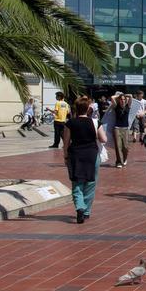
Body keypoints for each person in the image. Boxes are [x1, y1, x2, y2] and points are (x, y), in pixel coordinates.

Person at [64, 95, 107, 224]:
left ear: (75, 109)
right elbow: (104, 139)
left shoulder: (70, 123)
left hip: (75, 155)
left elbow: (66, 142)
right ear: (88, 108)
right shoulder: (95, 122)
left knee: (77, 183)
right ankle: (86, 211)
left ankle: (80, 207)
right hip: (92, 156)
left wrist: (65, 156)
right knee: (90, 183)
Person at [111, 93, 132, 168]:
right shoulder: (116, 106)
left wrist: (125, 95)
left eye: (124, 99)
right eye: (121, 99)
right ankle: (119, 162)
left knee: (125, 146)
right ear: (119, 100)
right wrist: (119, 96)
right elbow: (112, 97)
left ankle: (125, 158)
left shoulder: (128, 106)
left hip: (125, 128)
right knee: (118, 146)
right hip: (117, 128)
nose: (122, 101)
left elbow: (131, 96)